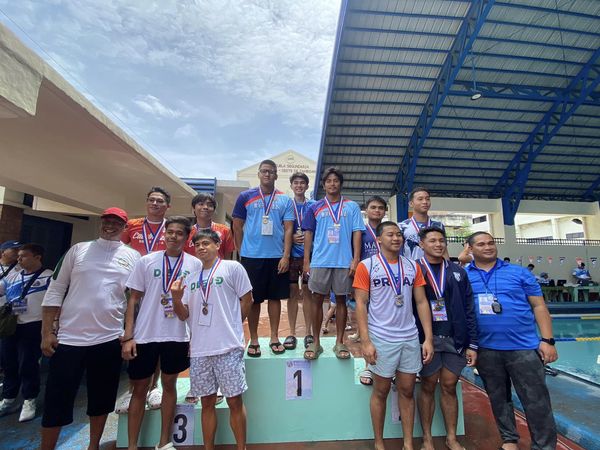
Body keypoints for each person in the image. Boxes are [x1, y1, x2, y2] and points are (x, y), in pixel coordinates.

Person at [40, 207, 140, 450]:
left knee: (101, 399)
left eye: (116, 222)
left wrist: (129, 334)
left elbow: (134, 299)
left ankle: (93, 445)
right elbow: (55, 290)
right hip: (69, 338)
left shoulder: (133, 256)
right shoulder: (78, 250)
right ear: (101, 222)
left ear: (124, 227)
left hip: (108, 339)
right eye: (107, 221)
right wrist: (47, 332)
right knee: (56, 400)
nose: (110, 226)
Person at [466, 232, 558, 450]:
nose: (488, 247)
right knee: (498, 399)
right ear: (470, 249)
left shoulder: (519, 273)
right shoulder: (463, 275)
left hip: (523, 348)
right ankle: (509, 440)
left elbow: (539, 306)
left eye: (491, 243)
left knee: (536, 401)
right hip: (486, 348)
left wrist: (547, 340)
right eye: (481, 244)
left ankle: (544, 446)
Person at [122, 216, 201, 450]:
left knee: (169, 385)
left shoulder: (194, 265)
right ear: (165, 234)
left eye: (179, 233)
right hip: (145, 334)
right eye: (170, 232)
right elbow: (133, 299)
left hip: (177, 335)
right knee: (139, 388)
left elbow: (193, 306)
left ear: (187, 238)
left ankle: (164, 441)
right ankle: (132, 445)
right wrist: (128, 336)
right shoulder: (146, 261)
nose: (173, 236)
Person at [353, 221, 434, 450]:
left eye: (399, 234)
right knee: (381, 391)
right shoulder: (367, 266)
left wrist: (427, 338)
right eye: (390, 234)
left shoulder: (412, 266)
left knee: (407, 391)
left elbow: (421, 302)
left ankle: (408, 444)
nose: (396, 238)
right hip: (382, 337)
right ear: (379, 239)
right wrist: (366, 341)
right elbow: (361, 304)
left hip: (409, 337)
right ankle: (379, 443)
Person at [171, 229, 253, 450]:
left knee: (234, 400)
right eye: (197, 245)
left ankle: (241, 447)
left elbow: (248, 299)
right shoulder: (190, 278)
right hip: (200, 349)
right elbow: (183, 315)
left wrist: (233, 325)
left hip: (228, 347)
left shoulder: (232, 268)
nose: (201, 248)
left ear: (217, 245)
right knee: (206, 402)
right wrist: (176, 299)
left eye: (206, 243)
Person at [414, 227, 478, 450]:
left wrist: (472, 343)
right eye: (432, 241)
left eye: (441, 240)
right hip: (426, 338)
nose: (438, 244)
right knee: (428, 385)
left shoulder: (457, 271)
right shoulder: (414, 269)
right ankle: (427, 438)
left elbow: (469, 308)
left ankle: (451, 437)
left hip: (454, 338)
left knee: (450, 385)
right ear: (421, 244)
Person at [232, 159, 294, 357]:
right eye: (264, 171)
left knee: (275, 298)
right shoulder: (245, 197)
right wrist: (241, 251)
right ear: (258, 174)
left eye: (271, 171)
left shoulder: (285, 200)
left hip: (277, 257)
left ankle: (274, 337)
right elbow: (237, 226)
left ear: (276, 175)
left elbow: (289, 229)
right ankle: (254, 338)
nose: (267, 174)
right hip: (252, 257)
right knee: (254, 300)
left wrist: (286, 256)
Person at [118, 187, 171, 413]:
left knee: (158, 339)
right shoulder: (132, 225)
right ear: (147, 202)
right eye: (152, 200)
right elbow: (119, 249)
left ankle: (155, 386)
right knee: (135, 337)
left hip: (162, 291)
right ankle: (133, 390)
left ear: (167, 206)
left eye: (160, 201)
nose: (155, 204)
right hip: (136, 290)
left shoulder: (171, 228)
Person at [302, 167, 364, 360]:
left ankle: (339, 342)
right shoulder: (314, 207)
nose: (332, 184)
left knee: (341, 301)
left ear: (341, 184)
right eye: (328, 181)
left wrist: (355, 259)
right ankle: (316, 342)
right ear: (323, 184)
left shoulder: (352, 207)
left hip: (344, 261)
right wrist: (306, 261)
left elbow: (357, 232)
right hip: (320, 261)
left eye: (336, 180)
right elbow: (308, 234)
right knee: (317, 300)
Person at [0, 243, 52, 421]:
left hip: (33, 325)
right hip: (11, 325)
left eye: (23, 256)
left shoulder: (49, 277)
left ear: (37, 257)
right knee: (9, 363)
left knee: (28, 364)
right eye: (18, 256)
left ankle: (29, 399)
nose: (19, 259)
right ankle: (8, 398)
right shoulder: (13, 276)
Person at [351, 196, 387, 384]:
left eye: (381, 208)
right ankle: (369, 365)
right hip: (365, 279)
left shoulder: (389, 230)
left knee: (386, 323)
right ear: (366, 210)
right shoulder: (360, 231)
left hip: (387, 281)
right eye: (373, 207)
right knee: (367, 322)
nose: (377, 210)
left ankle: (388, 364)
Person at [398, 187, 446, 260]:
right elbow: (398, 251)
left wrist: (448, 266)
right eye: (420, 199)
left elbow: (444, 251)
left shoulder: (438, 226)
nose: (425, 202)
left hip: (434, 266)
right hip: (411, 266)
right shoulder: (402, 226)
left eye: (427, 199)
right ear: (411, 204)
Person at [184, 193, 235, 260]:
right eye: (201, 204)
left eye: (210, 205)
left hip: (217, 266)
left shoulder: (225, 231)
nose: (205, 207)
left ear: (214, 210)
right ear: (193, 208)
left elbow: (227, 257)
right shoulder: (187, 232)